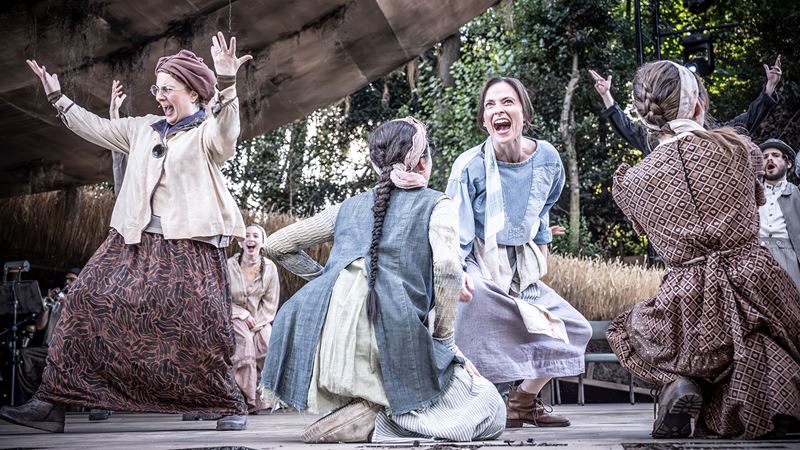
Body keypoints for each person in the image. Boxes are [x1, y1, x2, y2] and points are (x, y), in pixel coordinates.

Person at [1, 31, 253, 433]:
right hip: (132, 239)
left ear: (190, 91)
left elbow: (227, 133)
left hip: (190, 244)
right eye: (157, 88)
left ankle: (225, 401)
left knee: (199, 322)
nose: (159, 95)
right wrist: (57, 97)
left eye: (167, 89)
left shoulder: (208, 131)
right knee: (83, 299)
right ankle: (51, 402)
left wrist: (226, 82)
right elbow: (97, 127)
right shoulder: (143, 128)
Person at [261, 118, 506, 443]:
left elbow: (276, 245)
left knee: (425, 394)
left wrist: (328, 283)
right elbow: (448, 267)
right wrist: (446, 343)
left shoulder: (346, 208)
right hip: (389, 340)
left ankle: (362, 410)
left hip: (322, 349)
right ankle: (379, 421)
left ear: (376, 162)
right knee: (490, 407)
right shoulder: (437, 203)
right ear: (423, 161)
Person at [607, 60, 800, 439]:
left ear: (645, 116)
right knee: (757, 342)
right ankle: (776, 399)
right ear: (697, 106)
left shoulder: (632, 182)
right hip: (757, 281)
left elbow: (646, 228)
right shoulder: (740, 150)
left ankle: (677, 384)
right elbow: (757, 201)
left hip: (687, 301)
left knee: (627, 331)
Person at [446, 76, 591, 428]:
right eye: (491, 105)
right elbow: (454, 231)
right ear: (484, 121)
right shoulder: (469, 167)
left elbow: (542, 211)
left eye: (508, 102)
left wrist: (539, 260)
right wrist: (460, 272)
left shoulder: (548, 159)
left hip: (522, 264)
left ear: (524, 113)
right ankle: (470, 406)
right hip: (479, 260)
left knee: (574, 328)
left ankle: (523, 401)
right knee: (474, 305)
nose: (499, 110)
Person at [589, 55, 783, 155]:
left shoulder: (715, 135)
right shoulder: (651, 142)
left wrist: (770, 88)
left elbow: (749, 120)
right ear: (698, 105)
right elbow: (625, 128)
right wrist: (606, 96)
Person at [228, 224, 280, 414]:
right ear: (241, 243)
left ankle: (262, 399)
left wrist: (256, 324)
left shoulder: (270, 268)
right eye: (246, 236)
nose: (250, 239)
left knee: (267, 345)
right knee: (246, 348)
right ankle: (243, 399)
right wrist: (241, 314)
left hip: (259, 319)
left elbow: (271, 303)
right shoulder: (228, 265)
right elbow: (221, 298)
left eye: (255, 236)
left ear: (262, 242)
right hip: (233, 316)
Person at [17, 268, 80, 397]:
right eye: (66, 279)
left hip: (69, 350)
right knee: (23, 354)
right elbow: (40, 326)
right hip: (48, 348)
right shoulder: (56, 303)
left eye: (72, 280)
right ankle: (34, 394)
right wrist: (45, 307)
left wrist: (66, 302)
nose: (67, 282)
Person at [758, 138, 800, 291]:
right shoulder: (752, 194)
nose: (769, 158)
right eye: (765, 157)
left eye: (775, 155)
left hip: (787, 256)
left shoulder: (796, 193)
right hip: (756, 256)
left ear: (788, 163)